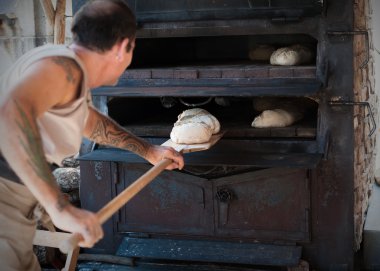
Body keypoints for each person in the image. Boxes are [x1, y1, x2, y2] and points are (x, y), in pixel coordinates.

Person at [0, 0, 184, 270]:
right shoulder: (62, 70)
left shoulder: (66, 69)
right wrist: (61, 208)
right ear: (123, 47)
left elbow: (88, 121)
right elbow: (11, 116)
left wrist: (148, 151)